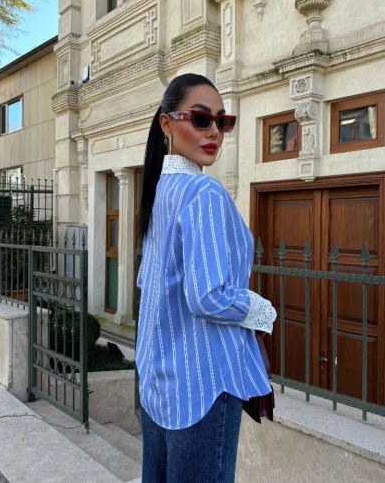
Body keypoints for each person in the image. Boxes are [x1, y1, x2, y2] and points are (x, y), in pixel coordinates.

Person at [137, 73, 277, 483]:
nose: (214, 131)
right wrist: (262, 310)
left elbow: (150, 284)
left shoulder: (159, 192)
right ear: (167, 123)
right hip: (203, 387)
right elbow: (208, 297)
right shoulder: (204, 193)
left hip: (156, 381)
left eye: (223, 121)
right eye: (201, 119)